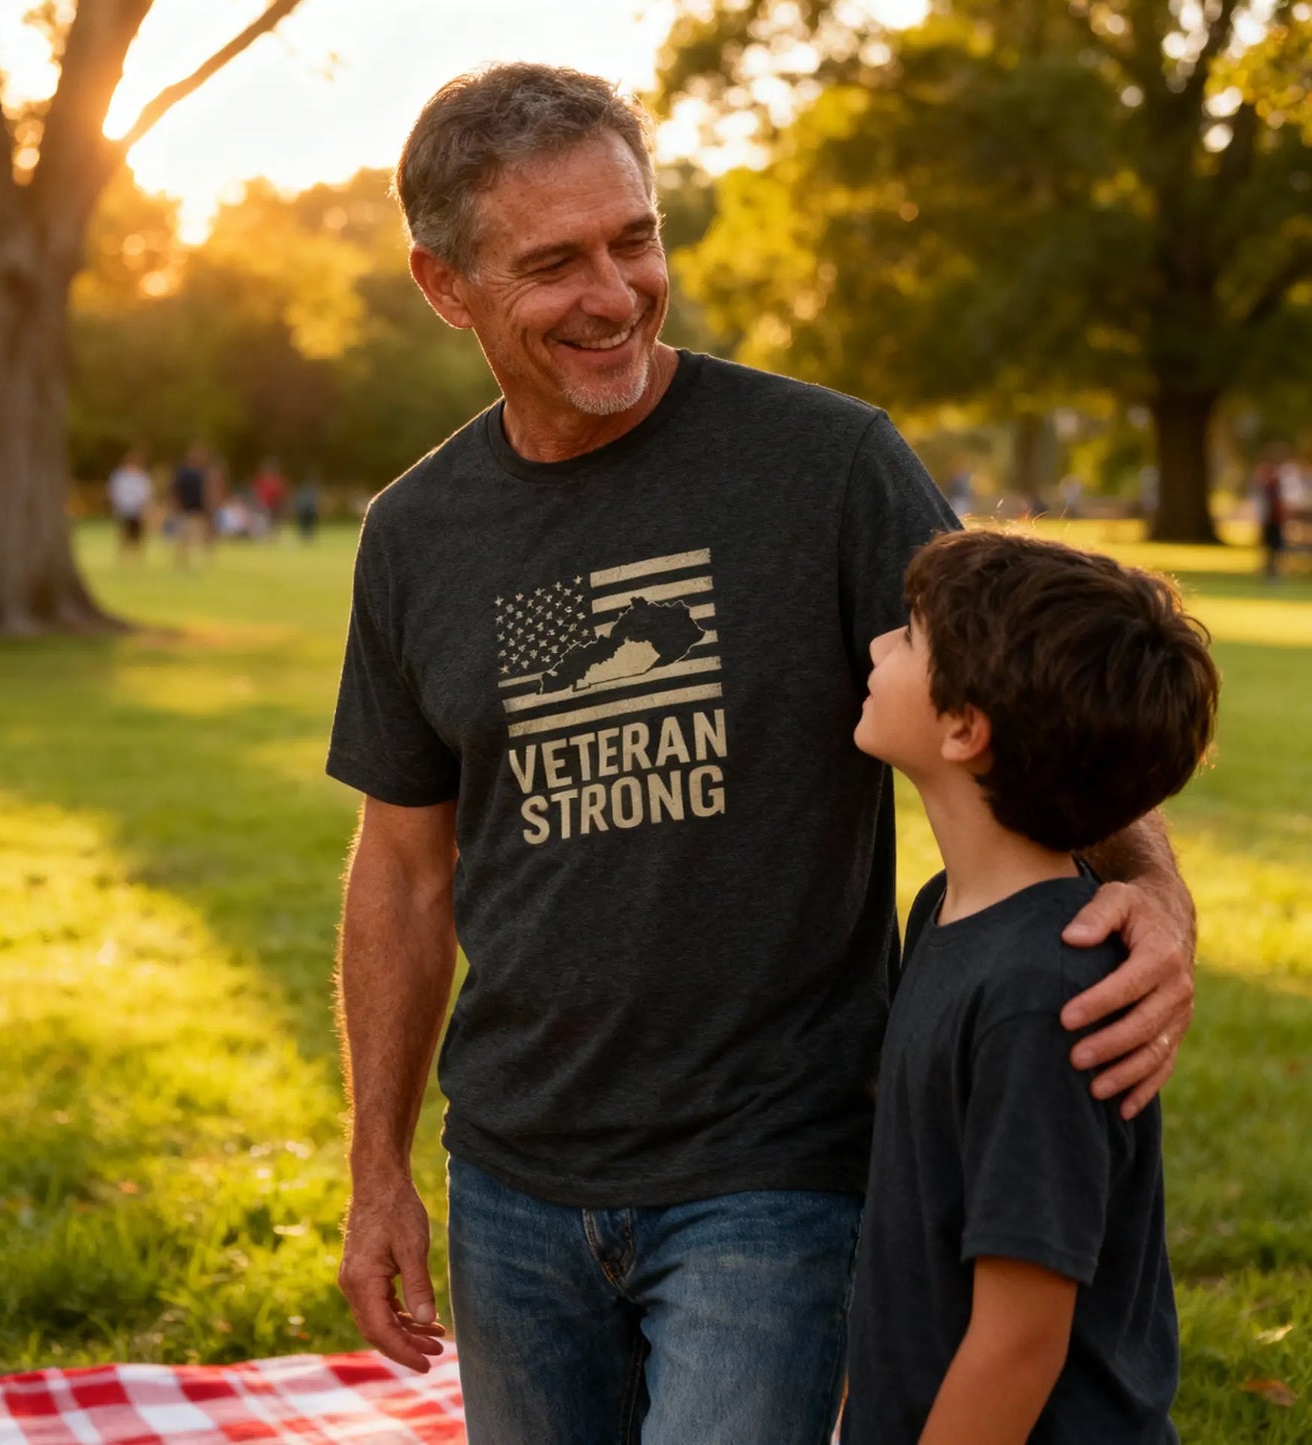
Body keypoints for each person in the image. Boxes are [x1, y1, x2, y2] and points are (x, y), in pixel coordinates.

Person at [326, 64, 1198, 1444]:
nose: (614, 294)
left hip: (773, 1178)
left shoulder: (830, 462)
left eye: (635, 238)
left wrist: (1149, 883)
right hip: (510, 1182)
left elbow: (1021, 681)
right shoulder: (415, 534)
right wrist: (378, 1169)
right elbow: (402, 865)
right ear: (445, 286)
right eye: (552, 263)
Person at [842, 530, 1217, 1444]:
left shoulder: (1044, 994)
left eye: (909, 637)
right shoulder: (946, 911)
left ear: (965, 726)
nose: (876, 645)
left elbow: (1019, 1341)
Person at [106, 448, 154, 561]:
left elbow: (146, 493)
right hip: (123, 508)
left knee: (138, 535)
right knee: (123, 534)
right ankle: (122, 557)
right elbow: (113, 491)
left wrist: (146, 508)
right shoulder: (120, 476)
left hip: (137, 509)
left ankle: (138, 557)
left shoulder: (142, 477)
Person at [171, 445, 213, 568]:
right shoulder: (198, 474)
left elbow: (175, 492)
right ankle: (191, 563)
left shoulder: (184, 473)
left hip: (192, 509)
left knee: (187, 538)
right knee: (192, 538)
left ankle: (187, 563)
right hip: (192, 509)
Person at [1252, 459, 1286, 581]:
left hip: (1273, 522)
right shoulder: (1267, 487)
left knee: (1274, 548)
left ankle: (1274, 573)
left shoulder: (1273, 486)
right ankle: (1269, 572)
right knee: (1269, 547)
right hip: (1268, 521)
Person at [252, 457, 290, 536]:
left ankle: (274, 532)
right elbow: (256, 496)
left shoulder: (278, 481)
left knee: (274, 516)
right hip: (263, 508)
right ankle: (267, 531)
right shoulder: (260, 481)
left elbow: (283, 496)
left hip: (275, 508)